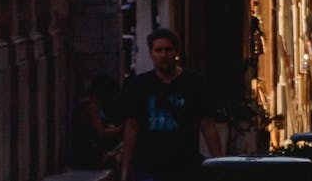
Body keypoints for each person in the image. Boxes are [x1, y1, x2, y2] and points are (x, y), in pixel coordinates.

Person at [119, 28, 222, 181]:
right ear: (151, 53)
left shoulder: (195, 84)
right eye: (158, 50)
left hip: (185, 166)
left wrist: (219, 164)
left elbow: (207, 125)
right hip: (149, 167)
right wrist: (125, 170)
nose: (163, 55)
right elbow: (132, 126)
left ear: (176, 52)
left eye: (168, 50)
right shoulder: (140, 85)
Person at [74, 73, 123, 169]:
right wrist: (121, 129)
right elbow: (100, 133)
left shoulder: (82, 105)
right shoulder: (92, 107)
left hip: (83, 155)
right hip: (92, 156)